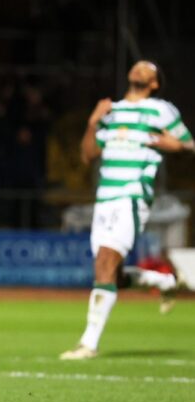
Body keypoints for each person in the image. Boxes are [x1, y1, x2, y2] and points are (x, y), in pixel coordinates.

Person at [61, 60, 193, 360]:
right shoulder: (113, 110)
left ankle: (88, 344)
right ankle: (165, 281)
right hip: (104, 199)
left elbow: (188, 144)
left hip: (130, 196)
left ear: (154, 83)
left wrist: (172, 144)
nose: (140, 68)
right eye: (138, 66)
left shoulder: (161, 109)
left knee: (105, 263)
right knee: (112, 275)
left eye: (148, 68)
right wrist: (93, 121)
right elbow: (87, 155)